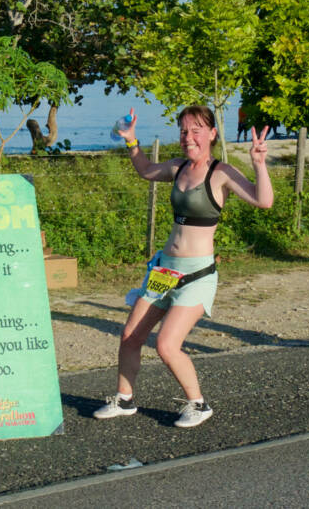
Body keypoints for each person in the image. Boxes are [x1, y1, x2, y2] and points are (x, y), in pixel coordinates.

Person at [94, 105, 273, 427]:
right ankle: (124, 399)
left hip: (196, 275)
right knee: (130, 336)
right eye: (183, 131)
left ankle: (198, 404)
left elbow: (264, 201)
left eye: (196, 130)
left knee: (166, 345)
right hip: (164, 271)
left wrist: (260, 164)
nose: (188, 137)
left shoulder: (221, 173)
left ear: (212, 134)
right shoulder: (177, 168)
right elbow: (146, 171)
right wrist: (131, 141)